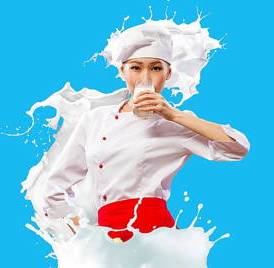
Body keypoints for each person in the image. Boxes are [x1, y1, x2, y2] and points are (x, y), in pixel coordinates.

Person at [41, 20, 251, 243]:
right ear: (122, 71)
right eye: (136, 67)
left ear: (168, 73)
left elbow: (237, 148)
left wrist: (174, 115)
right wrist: (79, 232)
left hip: (154, 235)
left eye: (156, 68)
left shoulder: (177, 122)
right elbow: (55, 186)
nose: (146, 78)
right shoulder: (95, 118)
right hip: (105, 236)